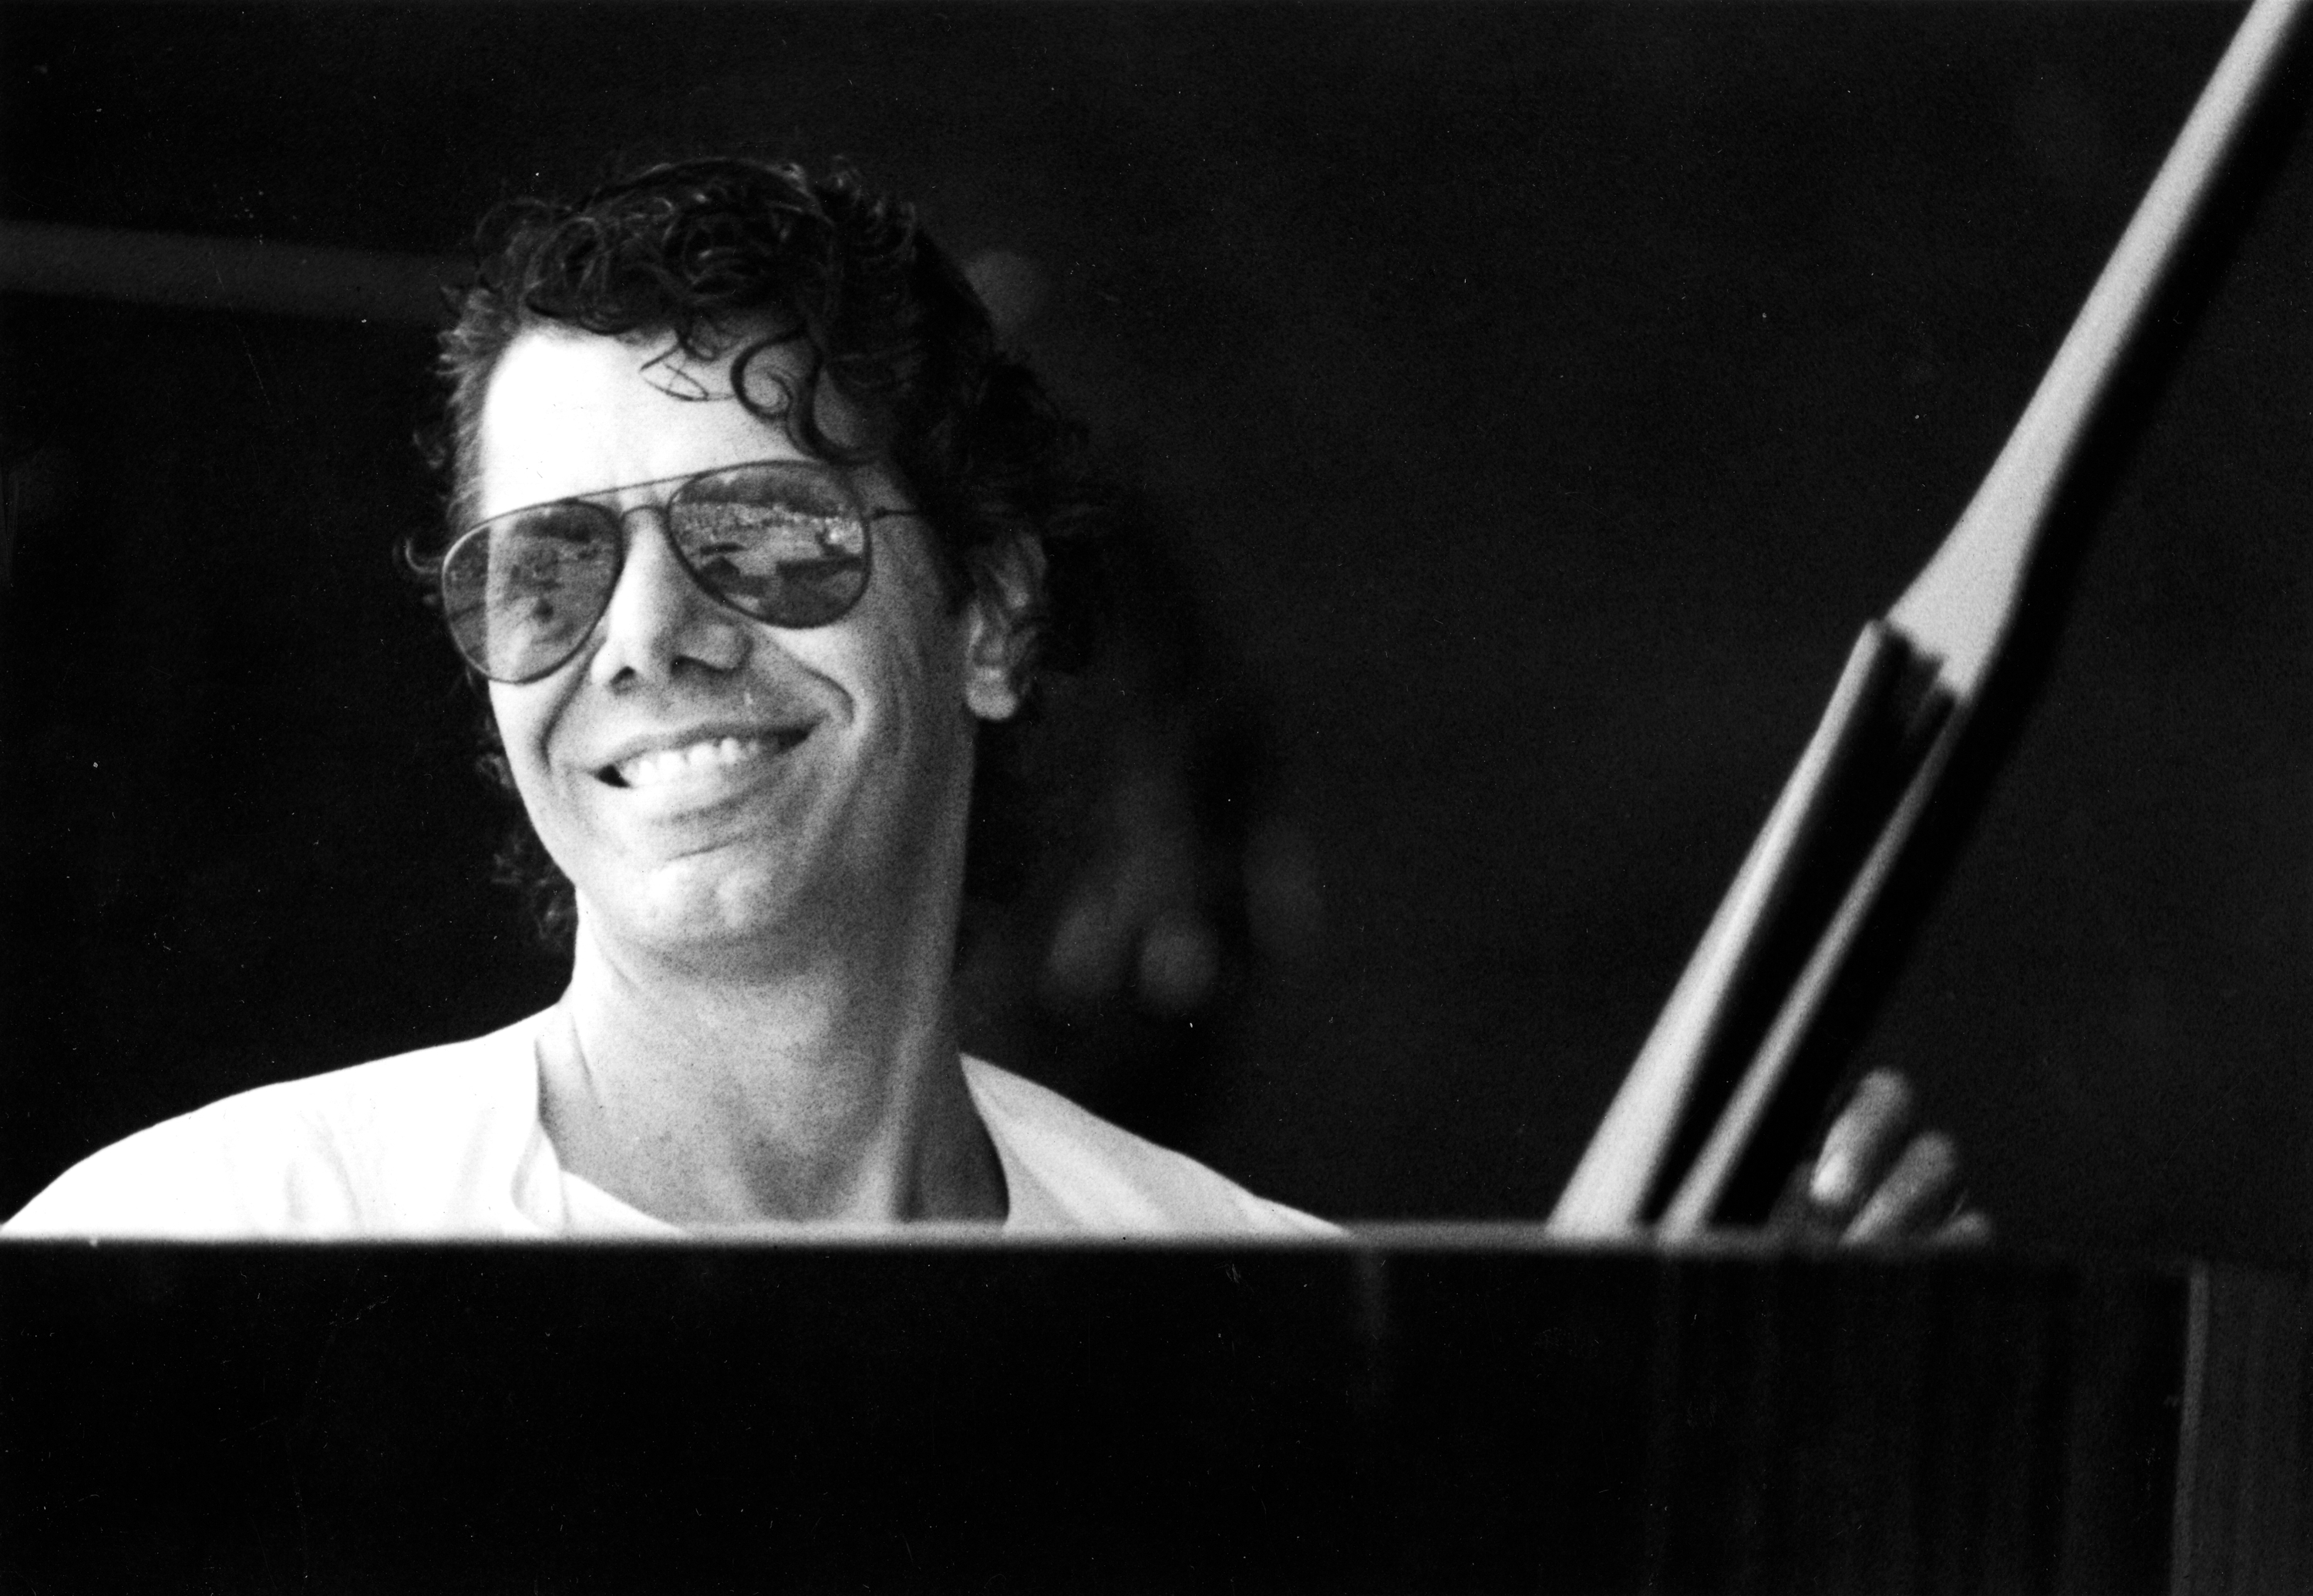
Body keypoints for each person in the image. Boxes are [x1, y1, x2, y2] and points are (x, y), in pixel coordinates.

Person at [5, 158, 1975, 1241]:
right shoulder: (188, 1254)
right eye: (550, 564)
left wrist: (1755, 1427)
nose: (647, 637)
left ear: (997, 618)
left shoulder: (1257, 1319)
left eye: (767, 532)